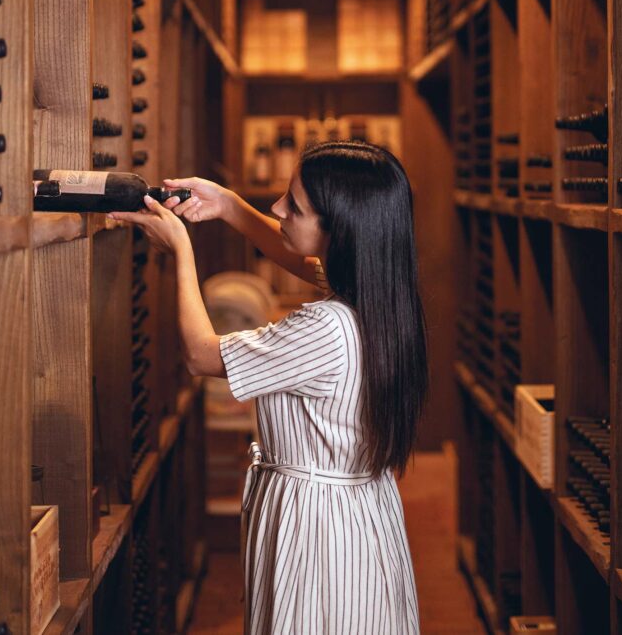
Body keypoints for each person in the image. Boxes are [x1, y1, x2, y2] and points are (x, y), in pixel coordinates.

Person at [110, 140, 427, 635]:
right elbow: (301, 261)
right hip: (358, 512)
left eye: (294, 206)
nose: (278, 209)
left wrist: (181, 252)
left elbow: (200, 354)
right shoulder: (382, 296)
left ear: (338, 230)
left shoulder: (325, 327)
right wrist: (228, 205)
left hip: (319, 527)